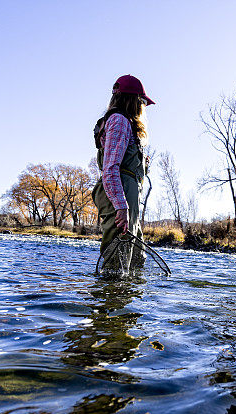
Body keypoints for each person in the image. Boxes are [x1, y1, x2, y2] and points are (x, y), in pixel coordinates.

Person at [92, 74, 155, 275]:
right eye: (142, 102)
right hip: (119, 196)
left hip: (127, 195)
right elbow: (110, 169)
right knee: (117, 265)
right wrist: (121, 207)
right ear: (133, 100)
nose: (143, 107)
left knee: (135, 259)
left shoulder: (122, 122)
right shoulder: (119, 120)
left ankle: (128, 304)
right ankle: (110, 303)